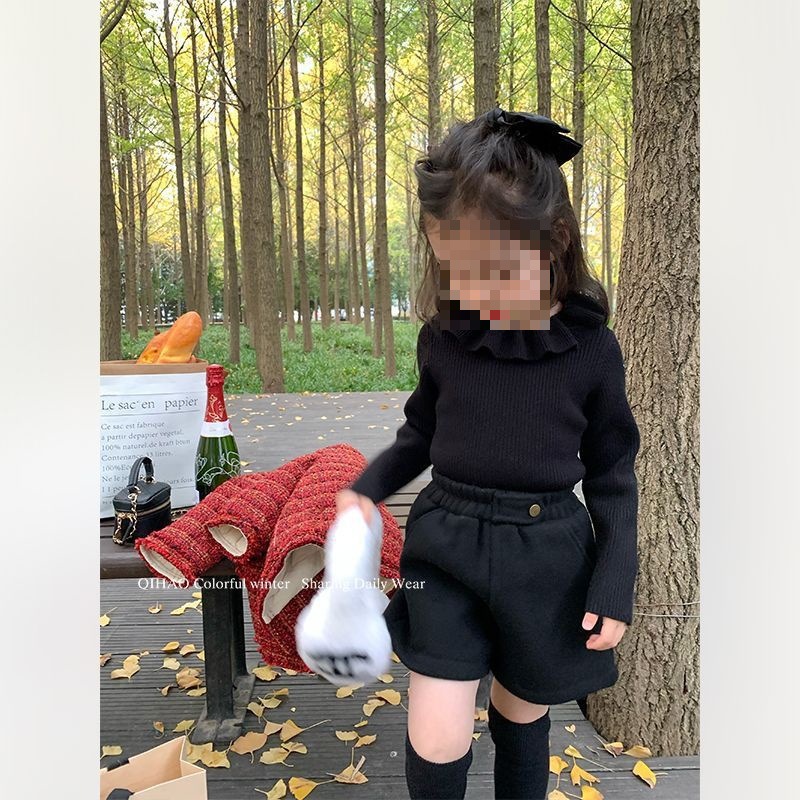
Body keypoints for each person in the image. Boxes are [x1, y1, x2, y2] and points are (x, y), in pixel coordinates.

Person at [337, 107, 641, 800]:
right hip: (446, 549)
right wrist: (367, 488)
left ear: (554, 240)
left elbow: (613, 473)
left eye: (496, 273)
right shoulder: (446, 340)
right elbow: (420, 433)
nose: (475, 294)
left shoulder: (593, 351)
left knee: (522, 712)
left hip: (549, 558)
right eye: (458, 274)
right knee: (437, 726)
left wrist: (614, 579)